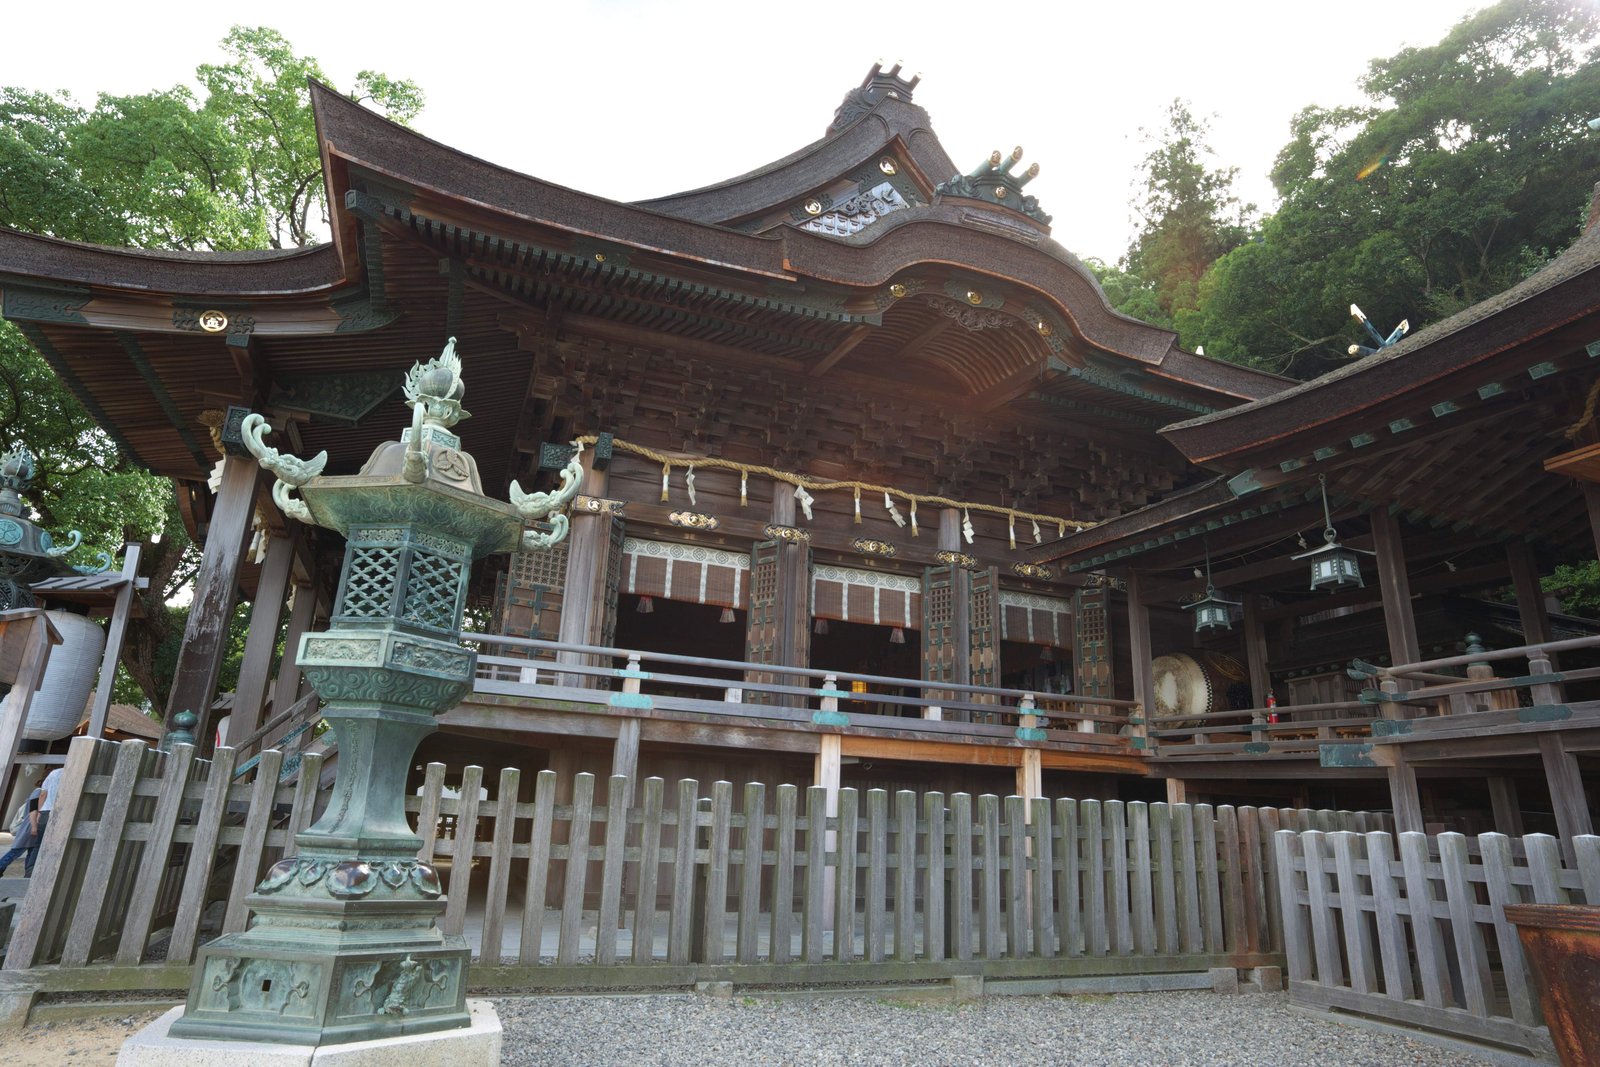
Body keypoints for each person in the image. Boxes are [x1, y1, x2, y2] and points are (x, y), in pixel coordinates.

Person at [0, 786, 42, 877]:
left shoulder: (38, 792)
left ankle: (28, 874)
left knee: (31, 852)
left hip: (33, 826)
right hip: (30, 826)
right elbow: (33, 809)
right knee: (16, 851)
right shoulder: (38, 792)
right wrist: (34, 826)